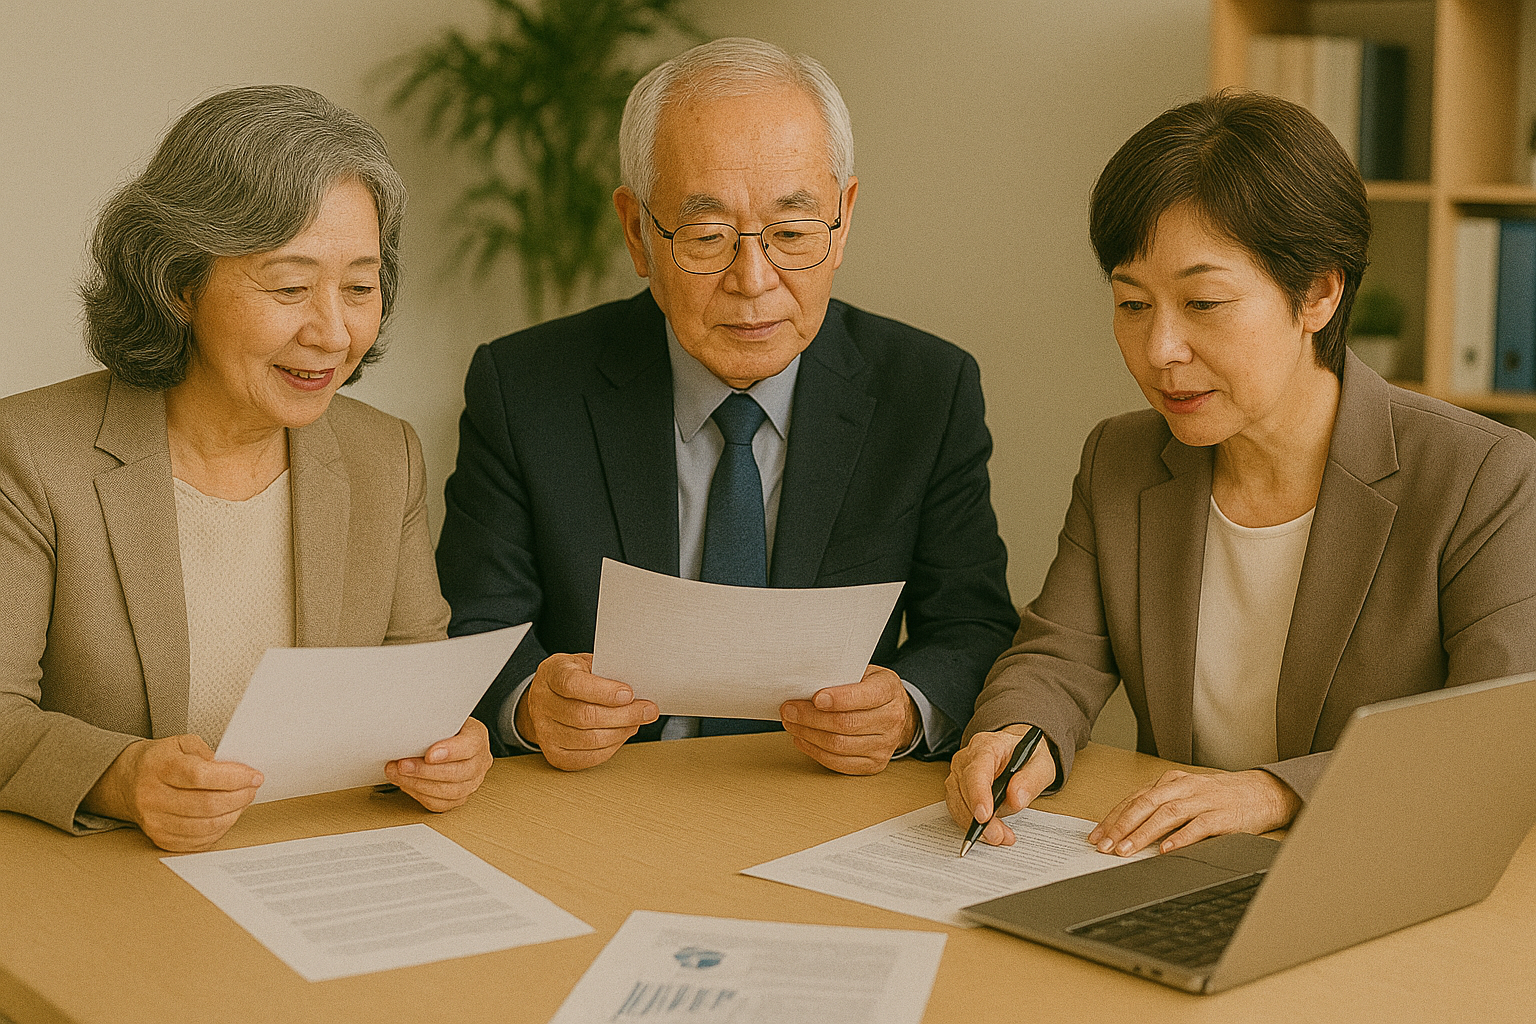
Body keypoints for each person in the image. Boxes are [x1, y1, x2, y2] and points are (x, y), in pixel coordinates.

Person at [946, 91, 1536, 858]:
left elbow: (1492, 743)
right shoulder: (1120, 460)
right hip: (1180, 872)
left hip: (1380, 872)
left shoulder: (1483, 478)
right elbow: (1058, 656)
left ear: (1318, 293)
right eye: (1132, 303)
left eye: (1203, 302)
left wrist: (1276, 791)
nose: (1160, 348)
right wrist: (1013, 735)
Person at [435, 37, 1018, 774]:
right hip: (598, 799)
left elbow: (970, 625)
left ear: (844, 220)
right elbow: (476, 621)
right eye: (708, 236)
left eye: (792, 232)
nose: (753, 278)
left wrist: (905, 707)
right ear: (637, 232)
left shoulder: (926, 391)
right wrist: (529, 702)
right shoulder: (525, 387)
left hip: (824, 800)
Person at [0, 85, 492, 852]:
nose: (333, 332)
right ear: (179, 285)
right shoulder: (30, 453)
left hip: (322, 863)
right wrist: (120, 776)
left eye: (360, 289)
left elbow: (416, 679)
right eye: (290, 287)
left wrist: (449, 748)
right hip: (105, 881)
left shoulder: (383, 455)